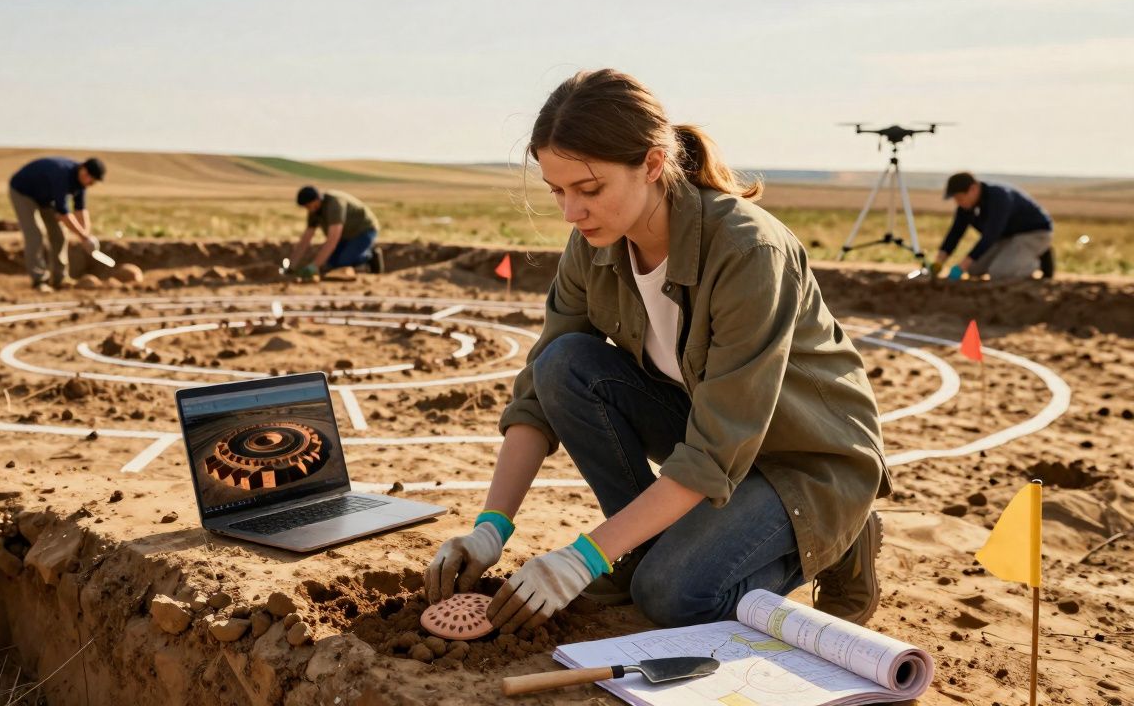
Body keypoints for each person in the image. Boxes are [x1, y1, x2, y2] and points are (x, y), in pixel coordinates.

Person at [424, 69, 891, 635]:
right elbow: (538, 395)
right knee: (565, 364)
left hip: (803, 461)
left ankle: (839, 540)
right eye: (558, 191)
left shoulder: (748, 250)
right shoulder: (592, 243)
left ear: (650, 165)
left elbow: (717, 449)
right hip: (707, 434)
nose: (570, 212)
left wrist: (583, 557)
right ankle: (639, 550)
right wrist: (490, 529)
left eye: (589, 189)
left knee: (672, 598)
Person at [8, 156, 105, 292]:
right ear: (83, 169)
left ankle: (60, 279)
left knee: (59, 235)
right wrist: (83, 237)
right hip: (23, 192)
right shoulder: (62, 175)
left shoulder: (82, 184)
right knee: (35, 235)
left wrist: (87, 234)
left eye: (93, 181)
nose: (90, 182)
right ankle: (39, 280)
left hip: (45, 198)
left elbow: (80, 210)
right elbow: (64, 213)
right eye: (90, 177)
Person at [933, 172, 1054, 281]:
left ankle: (1036, 259)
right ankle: (1019, 257)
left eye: (959, 198)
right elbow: (955, 233)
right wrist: (938, 263)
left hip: (1034, 234)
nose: (957, 202)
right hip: (1006, 238)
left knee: (999, 273)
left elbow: (991, 235)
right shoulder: (966, 207)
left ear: (973, 189)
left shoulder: (999, 197)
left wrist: (961, 266)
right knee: (973, 270)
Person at [288, 186, 385, 278]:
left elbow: (333, 239)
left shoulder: (334, 205)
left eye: (309, 205)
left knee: (344, 261)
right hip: (346, 236)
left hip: (364, 231)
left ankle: (370, 256)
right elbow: (305, 240)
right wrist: (290, 266)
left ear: (317, 199)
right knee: (332, 263)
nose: (308, 209)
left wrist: (314, 266)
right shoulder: (314, 210)